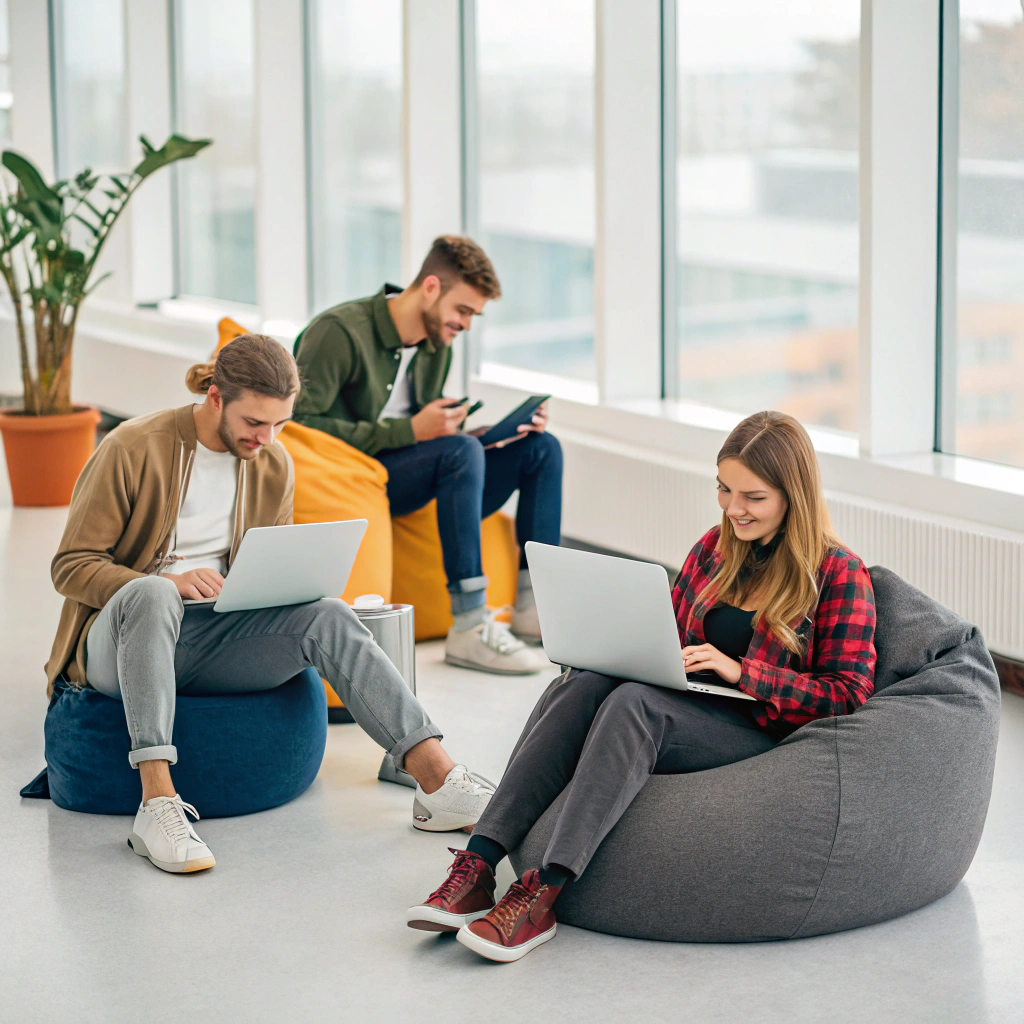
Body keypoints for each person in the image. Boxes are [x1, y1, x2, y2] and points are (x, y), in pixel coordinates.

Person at [406, 410, 877, 962]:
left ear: (793, 496)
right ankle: (479, 864)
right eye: (724, 489)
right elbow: (665, 634)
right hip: (692, 702)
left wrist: (741, 672)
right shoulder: (715, 548)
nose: (733, 509)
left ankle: (543, 893)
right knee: (584, 684)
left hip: (758, 727)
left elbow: (848, 694)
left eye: (753, 497)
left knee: (635, 705)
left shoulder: (838, 573)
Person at [45, 335, 494, 875]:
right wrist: (170, 580)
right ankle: (157, 804)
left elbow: (269, 569)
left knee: (330, 614)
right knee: (154, 593)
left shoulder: (273, 463)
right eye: (255, 422)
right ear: (216, 398)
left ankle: (438, 782)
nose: (267, 438)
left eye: (280, 423)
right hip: (122, 640)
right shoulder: (132, 447)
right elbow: (70, 565)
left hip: (213, 637)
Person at [292, 236, 562, 676]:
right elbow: (297, 425)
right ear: (431, 287)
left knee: (540, 448)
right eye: (463, 310)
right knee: (461, 452)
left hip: (419, 473)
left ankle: (538, 611)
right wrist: (411, 431)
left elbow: (431, 444)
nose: (466, 325)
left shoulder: (437, 346)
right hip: (359, 479)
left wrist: (484, 438)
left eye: (474, 315)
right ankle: (470, 625)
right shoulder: (338, 331)